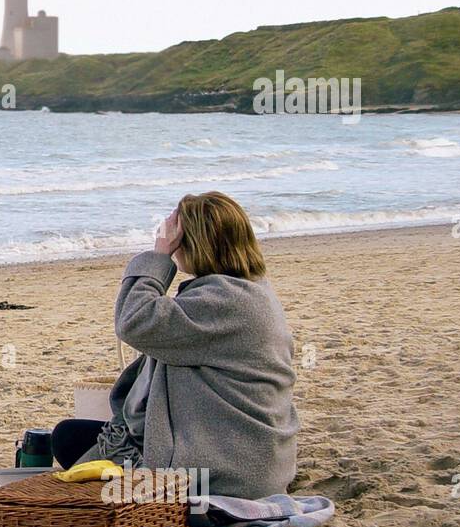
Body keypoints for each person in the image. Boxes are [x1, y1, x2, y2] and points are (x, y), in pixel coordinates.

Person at [54, 191, 298, 499]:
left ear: (194, 242)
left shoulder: (222, 302)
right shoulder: (252, 291)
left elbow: (133, 320)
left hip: (223, 474)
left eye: (175, 233)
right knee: (75, 437)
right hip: (254, 459)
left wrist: (159, 255)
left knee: (66, 440)